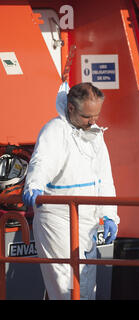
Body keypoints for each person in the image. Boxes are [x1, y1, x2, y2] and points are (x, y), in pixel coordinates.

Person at [22, 82, 119, 300]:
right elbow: (42, 162)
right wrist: (34, 185)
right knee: (66, 287)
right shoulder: (55, 131)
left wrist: (110, 215)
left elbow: (104, 177)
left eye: (96, 115)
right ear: (71, 108)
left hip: (87, 222)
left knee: (86, 286)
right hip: (58, 219)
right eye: (87, 116)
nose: (93, 121)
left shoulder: (94, 134)